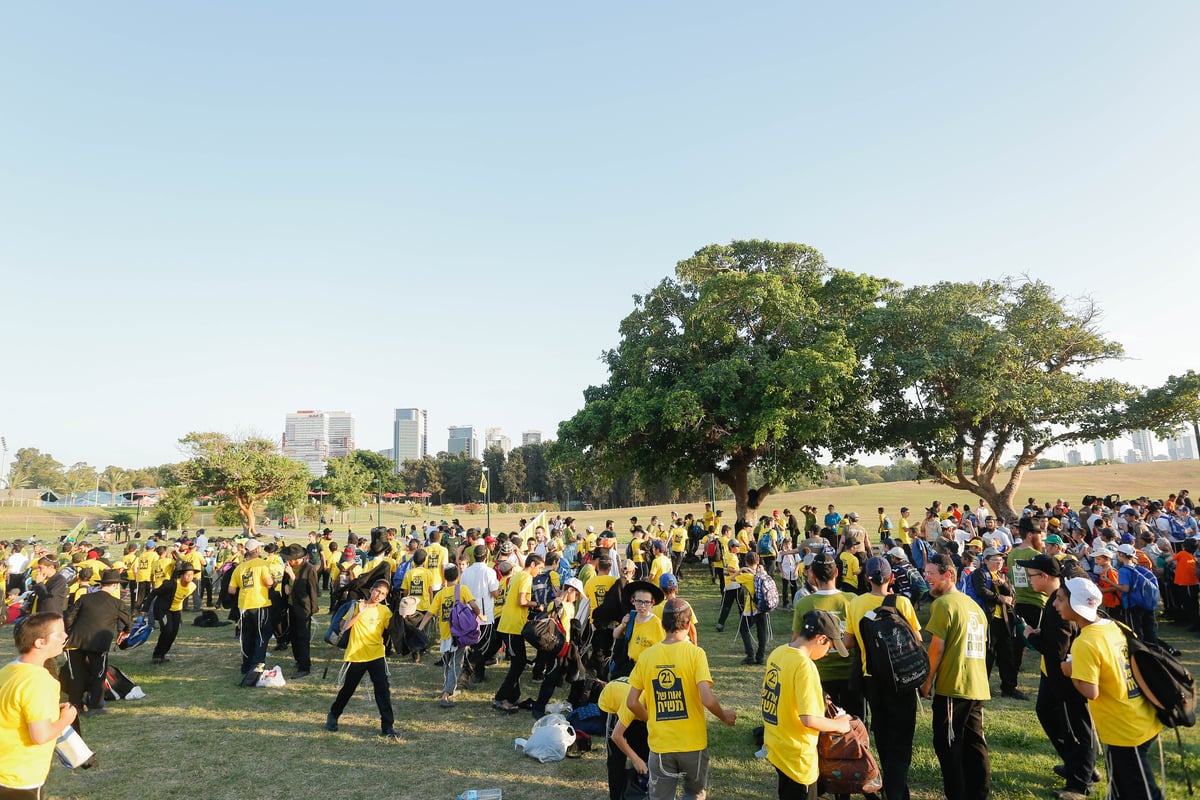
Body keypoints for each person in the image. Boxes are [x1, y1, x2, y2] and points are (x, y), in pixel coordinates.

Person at [1059, 576, 1163, 800]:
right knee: (1121, 788)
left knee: (1144, 792)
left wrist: (1071, 672)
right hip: (1141, 715)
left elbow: (1091, 691)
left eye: (1060, 599)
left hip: (1124, 729)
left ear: (1075, 605)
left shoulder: (1085, 642)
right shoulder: (1114, 626)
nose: (1056, 605)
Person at [627, 598, 737, 800]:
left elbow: (632, 703)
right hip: (692, 744)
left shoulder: (647, 656)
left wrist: (651, 717)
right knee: (694, 794)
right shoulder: (696, 654)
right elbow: (707, 699)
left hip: (660, 745)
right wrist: (725, 716)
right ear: (688, 625)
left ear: (662, 624)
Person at [1019, 554, 1097, 799]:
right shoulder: (1055, 598)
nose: (1027, 579)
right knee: (1047, 712)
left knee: (1075, 727)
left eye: (1030, 575)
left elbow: (1057, 649)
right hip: (1053, 674)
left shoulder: (1059, 602)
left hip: (1068, 676)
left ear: (1044, 576)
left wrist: (1031, 636)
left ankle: (1081, 781)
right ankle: (1076, 765)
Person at [845, 555, 921, 800]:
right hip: (903, 680)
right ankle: (897, 789)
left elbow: (848, 642)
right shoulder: (902, 603)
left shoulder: (855, 604)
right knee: (903, 736)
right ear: (891, 578)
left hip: (872, 678)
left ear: (867, 578)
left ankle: (889, 783)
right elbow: (917, 641)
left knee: (884, 733)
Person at [762, 609, 853, 800]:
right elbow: (809, 719)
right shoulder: (805, 666)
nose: (828, 653)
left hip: (778, 747)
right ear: (820, 639)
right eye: (829, 646)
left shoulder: (778, 653)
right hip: (798, 757)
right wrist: (840, 725)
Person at [921, 554, 991, 800]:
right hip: (977, 685)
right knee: (975, 745)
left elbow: (936, 649)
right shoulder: (974, 606)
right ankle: (979, 793)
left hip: (955, 686)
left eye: (931, 573)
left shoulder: (943, 605)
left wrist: (926, 682)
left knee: (948, 745)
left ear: (948, 575)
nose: (926, 577)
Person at [0, 612, 78, 795]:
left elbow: (12, 709)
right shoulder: (40, 681)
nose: (65, 637)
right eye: (59, 633)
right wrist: (67, 718)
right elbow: (41, 736)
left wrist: (49, 711)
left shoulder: (8, 671)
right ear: (40, 642)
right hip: (19, 775)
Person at [326, 579, 399, 741]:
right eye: (377, 591)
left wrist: (403, 615)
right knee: (348, 689)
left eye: (383, 594)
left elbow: (393, 629)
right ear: (371, 590)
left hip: (377, 655)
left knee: (383, 691)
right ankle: (334, 714)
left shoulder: (384, 611)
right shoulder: (356, 605)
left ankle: (387, 726)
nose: (379, 595)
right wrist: (359, 612)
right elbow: (343, 627)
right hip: (357, 655)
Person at [62, 569, 132, 724]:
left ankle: (76, 706)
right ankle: (96, 705)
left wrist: (67, 633)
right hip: (98, 643)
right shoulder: (116, 603)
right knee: (98, 674)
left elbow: (69, 618)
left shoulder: (85, 598)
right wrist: (125, 632)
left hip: (75, 641)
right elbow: (128, 621)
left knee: (76, 675)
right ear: (114, 585)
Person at [421, 564, 480, 708]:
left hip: (445, 633)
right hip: (459, 633)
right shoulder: (463, 589)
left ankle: (448, 687)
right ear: (458, 576)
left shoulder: (440, 594)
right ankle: (446, 694)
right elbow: (473, 605)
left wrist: (420, 627)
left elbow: (430, 613)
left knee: (448, 663)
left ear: (444, 577)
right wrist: (480, 615)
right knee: (456, 664)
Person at [493, 554, 545, 713]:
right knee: (518, 663)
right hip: (511, 627)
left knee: (519, 662)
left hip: (513, 625)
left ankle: (514, 696)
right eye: (540, 568)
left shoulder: (518, 575)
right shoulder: (526, 578)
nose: (540, 571)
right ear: (533, 565)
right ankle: (500, 698)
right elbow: (521, 601)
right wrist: (537, 605)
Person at [229, 538, 275, 677]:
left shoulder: (239, 567)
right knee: (261, 635)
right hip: (259, 603)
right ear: (256, 550)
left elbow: (231, 590)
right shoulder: (262, 564)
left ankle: (246, 665)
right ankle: (257, 665)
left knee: (247, 636)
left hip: (244, 606)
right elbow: (268, 582)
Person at [146, 562, 198, 665]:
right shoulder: (171, 584)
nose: (189, 577)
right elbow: (154, 593)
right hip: (164, 610)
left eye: (191, 574)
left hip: (176, 610)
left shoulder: (193, 586)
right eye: (187, 574)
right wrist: (145, 609)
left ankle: (163, 654)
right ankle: (156, 655)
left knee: (173, 633)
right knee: (167, 630)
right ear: (181, 575)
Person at [281, 544, 319, 679]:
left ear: (297, 559)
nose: (288, 562)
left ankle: (305, 666)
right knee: (294, 635)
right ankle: (298, 660)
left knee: (303, 637)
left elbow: (309, 591)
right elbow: (285, 582)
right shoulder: (289, 567)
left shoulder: (309, 569)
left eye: (289, 559)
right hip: (292, 605)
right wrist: (286, 585)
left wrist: (292, 576)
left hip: (304, 607)